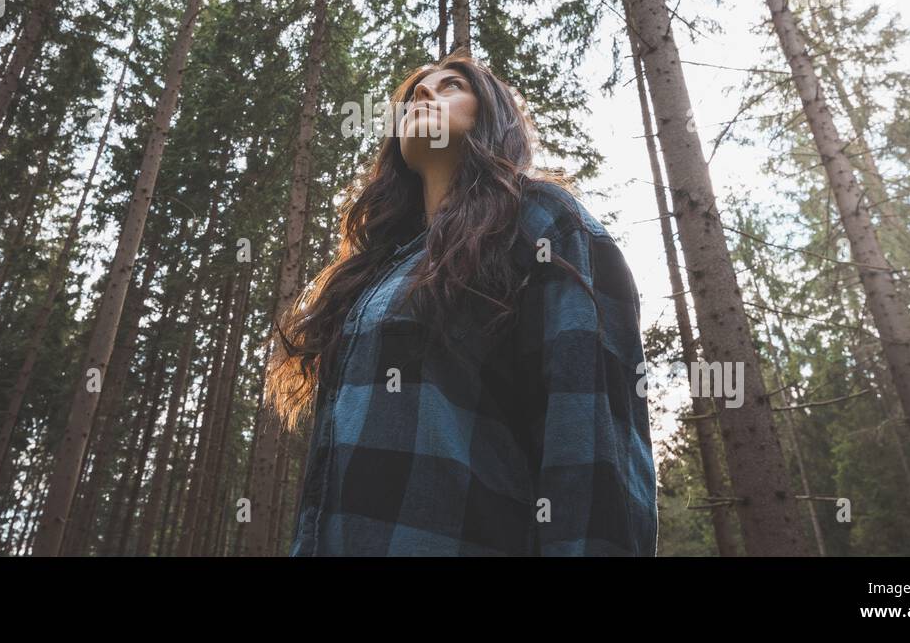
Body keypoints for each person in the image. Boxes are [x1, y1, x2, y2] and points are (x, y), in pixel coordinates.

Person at [266, 50, 658, 556]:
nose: (423, 94)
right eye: (413, 96)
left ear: (492, 118)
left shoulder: (541, 222)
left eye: (451, 85)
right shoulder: (371, 274)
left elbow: (592, 440)